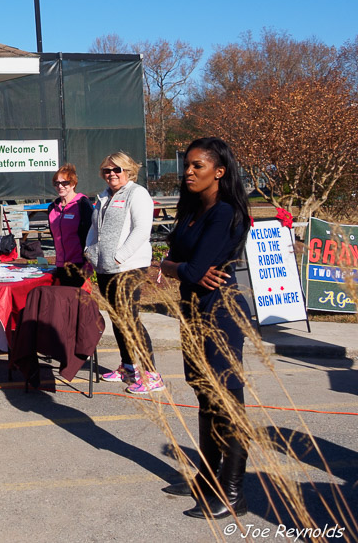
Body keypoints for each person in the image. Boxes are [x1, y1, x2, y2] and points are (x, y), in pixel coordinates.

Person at [158, 137, 252, 519]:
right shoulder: (195, 211)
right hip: (193, 308)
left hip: (221, 312)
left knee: (226, 400)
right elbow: (177, 259)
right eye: (187, 165)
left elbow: (192, 270)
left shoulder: (226, 212)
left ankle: (232, 492)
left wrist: (173, 268)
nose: (189, 172)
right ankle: (208, 478)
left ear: (219, 171)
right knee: (203, 396)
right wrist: (173, 266)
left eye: (198, 165)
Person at [84, 151, 163, 394]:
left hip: (128, 268)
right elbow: (94, 228)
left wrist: (120, 256)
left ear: (128, 171)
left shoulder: (137, 193)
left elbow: (141, 230)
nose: (112, 174)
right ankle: (129, 367)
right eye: (107, 170)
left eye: (117, 169)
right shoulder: (104, 196)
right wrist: (90, 251)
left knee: (130, 318)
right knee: (118, 319)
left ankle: (151, 375)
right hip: (105, 267)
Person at [47, 163, 93, 287]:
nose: (60, 186)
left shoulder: (82, 203)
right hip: (61, 263)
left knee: (76, 299)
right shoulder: (52, 207)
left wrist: (88, 262)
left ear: (73, 184)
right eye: (57, 183)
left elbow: (90, 233)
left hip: (79, 263)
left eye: (64, 183)